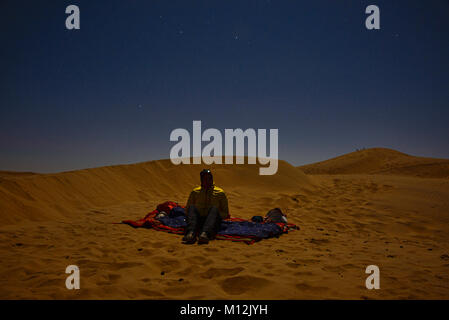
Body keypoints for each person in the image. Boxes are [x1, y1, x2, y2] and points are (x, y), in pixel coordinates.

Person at [182, 169, 229, 244]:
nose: (207, 180)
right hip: (198, 219)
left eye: (209, 178)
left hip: (212, 220)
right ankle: (190, 233)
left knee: (214, 208)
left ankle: (205, 234)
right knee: (192, 207)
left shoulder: (220, 193)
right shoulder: (195, 192)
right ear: (201, 180)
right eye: (205, 178)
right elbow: (188, 209)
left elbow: (225, 212)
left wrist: (216, 214)